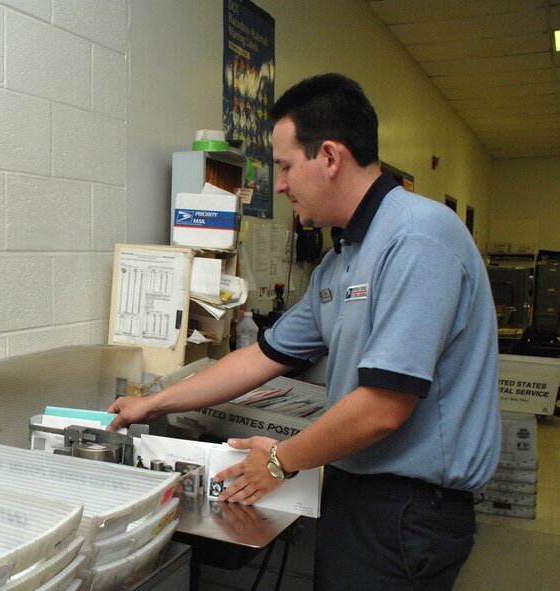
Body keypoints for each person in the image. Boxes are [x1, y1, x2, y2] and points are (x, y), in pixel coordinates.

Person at [108, 73, 501, 590]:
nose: (283, 185)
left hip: (409, 509)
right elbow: (260, 357)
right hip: (356, 490)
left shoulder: (417, 238)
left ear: (331, 157)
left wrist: (278, 460)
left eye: (287, 167)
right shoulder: (340, 263)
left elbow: (385, 406)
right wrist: (155, 403)